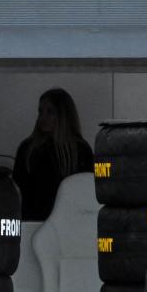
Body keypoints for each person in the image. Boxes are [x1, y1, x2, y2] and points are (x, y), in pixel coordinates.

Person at [13, 88, 93, 221]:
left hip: (63, 223)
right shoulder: (28, 149)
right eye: (40, 111)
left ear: (63, 116)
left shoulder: (80, 150)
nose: (42, 118)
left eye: (50, 112)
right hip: (37, 222)